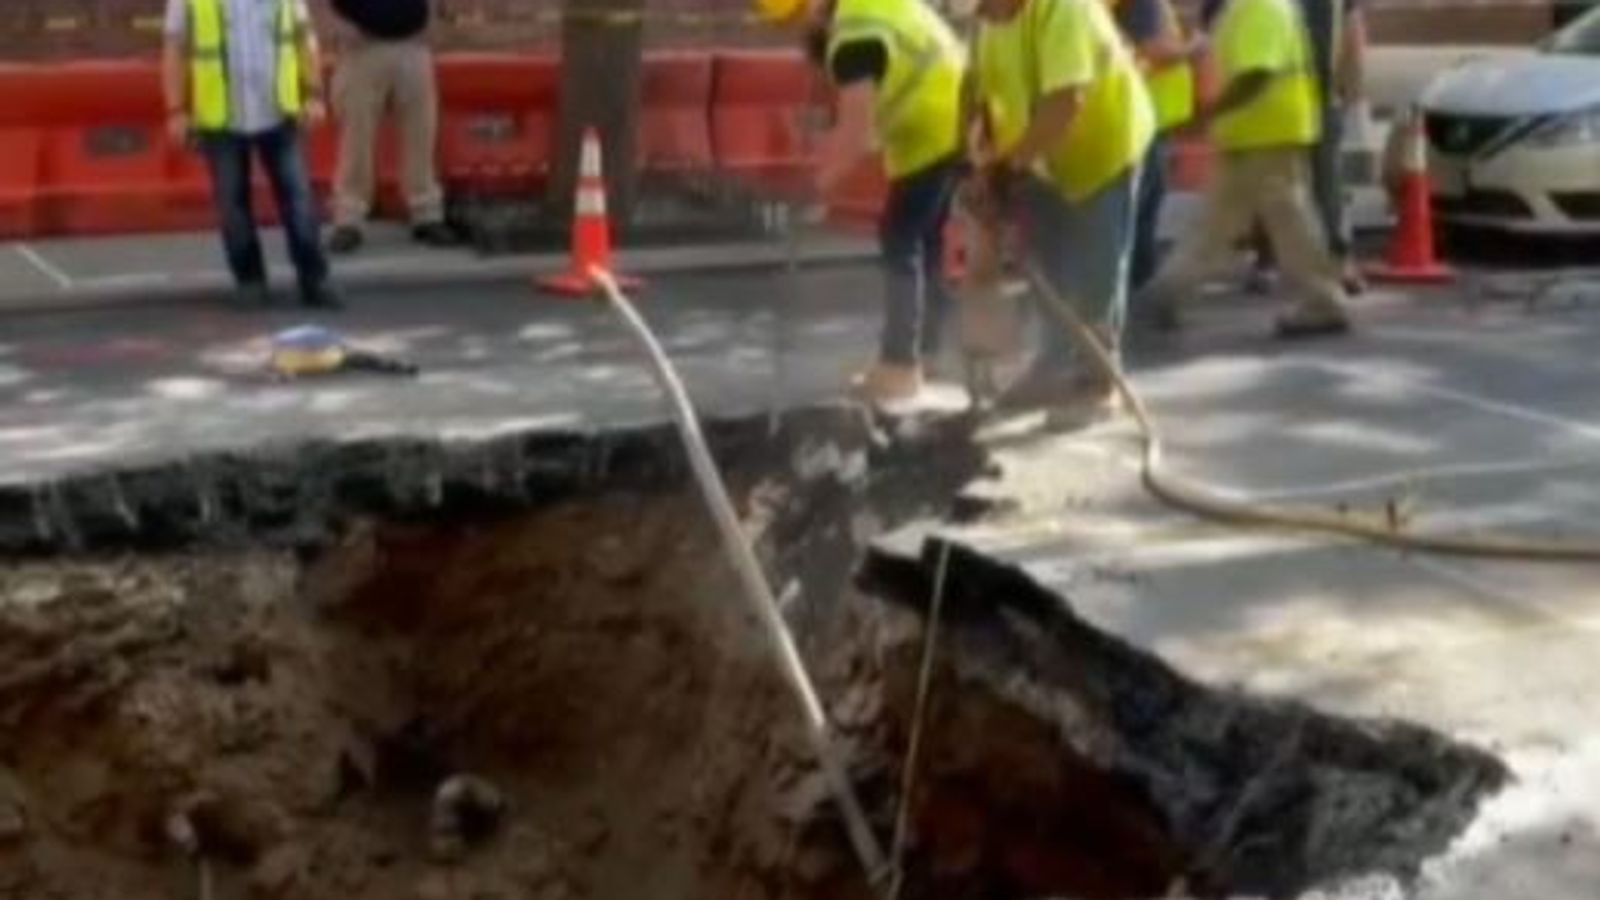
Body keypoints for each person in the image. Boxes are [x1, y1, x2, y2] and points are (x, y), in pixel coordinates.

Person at [757, 0, 967, 404]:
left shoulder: (854, 35)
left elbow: (856, 134)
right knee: (925, 240)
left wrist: (814, 188)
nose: (802, 29)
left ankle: (900, 368)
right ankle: (923, 356)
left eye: (798, 18)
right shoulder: (868, 10)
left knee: (900, 238)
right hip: (951, 118)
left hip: (934, 127)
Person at [965, 0, 1153, 415]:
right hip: (1042, 156)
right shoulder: (990, 24)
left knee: (1094, 270)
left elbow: (1066, 103)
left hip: (1104, 148)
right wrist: (980, 161)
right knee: (1049, 265)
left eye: (985, 6)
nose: (982, 15)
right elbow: (980, 95)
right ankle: (1050, 367)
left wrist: (1009, 166)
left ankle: (1097, 382)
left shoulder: (1063, 9)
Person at [1136, 0, 1351, 337]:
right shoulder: (1246, 9)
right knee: (1242, 220)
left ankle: (1323, 301)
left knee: (1275, 220)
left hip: (1267, 131)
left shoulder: (1260, 8)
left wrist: (1208, 115)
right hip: (1257, 131)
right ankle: (1166, 293)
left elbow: (1255, 75)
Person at [162, 0, 341, 309]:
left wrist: (313, 93)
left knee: (298, 199)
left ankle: (314, 279)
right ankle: (250, 281)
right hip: (221, 117)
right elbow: (176, 48)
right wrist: (176, 109)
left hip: (278, 110)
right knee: (232, 204)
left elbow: (303, 36)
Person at [1247, 0, 1369, 294]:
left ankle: (1330, 259)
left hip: (1313, 97)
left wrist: (1353, 89)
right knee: (1296, 179)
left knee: (1319, 180)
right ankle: (1273, 255)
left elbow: (1353, 32)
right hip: (1285, 97)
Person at [325, 0, 457, 255]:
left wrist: (432, 18)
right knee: (356, 137)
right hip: (362, 47)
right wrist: (335, 24)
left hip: (412, 45)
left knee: (422, 132)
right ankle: (349, 219)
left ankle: (426, 214)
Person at [1113, 0, 1200, 291]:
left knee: (1147, 194)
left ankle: (1138, 274)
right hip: (1145, 113)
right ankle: (1138, 276)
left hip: (1144, 114)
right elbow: (1153, 52)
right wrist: (1193, 48)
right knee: (1144, 197)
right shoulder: (1144, 3)